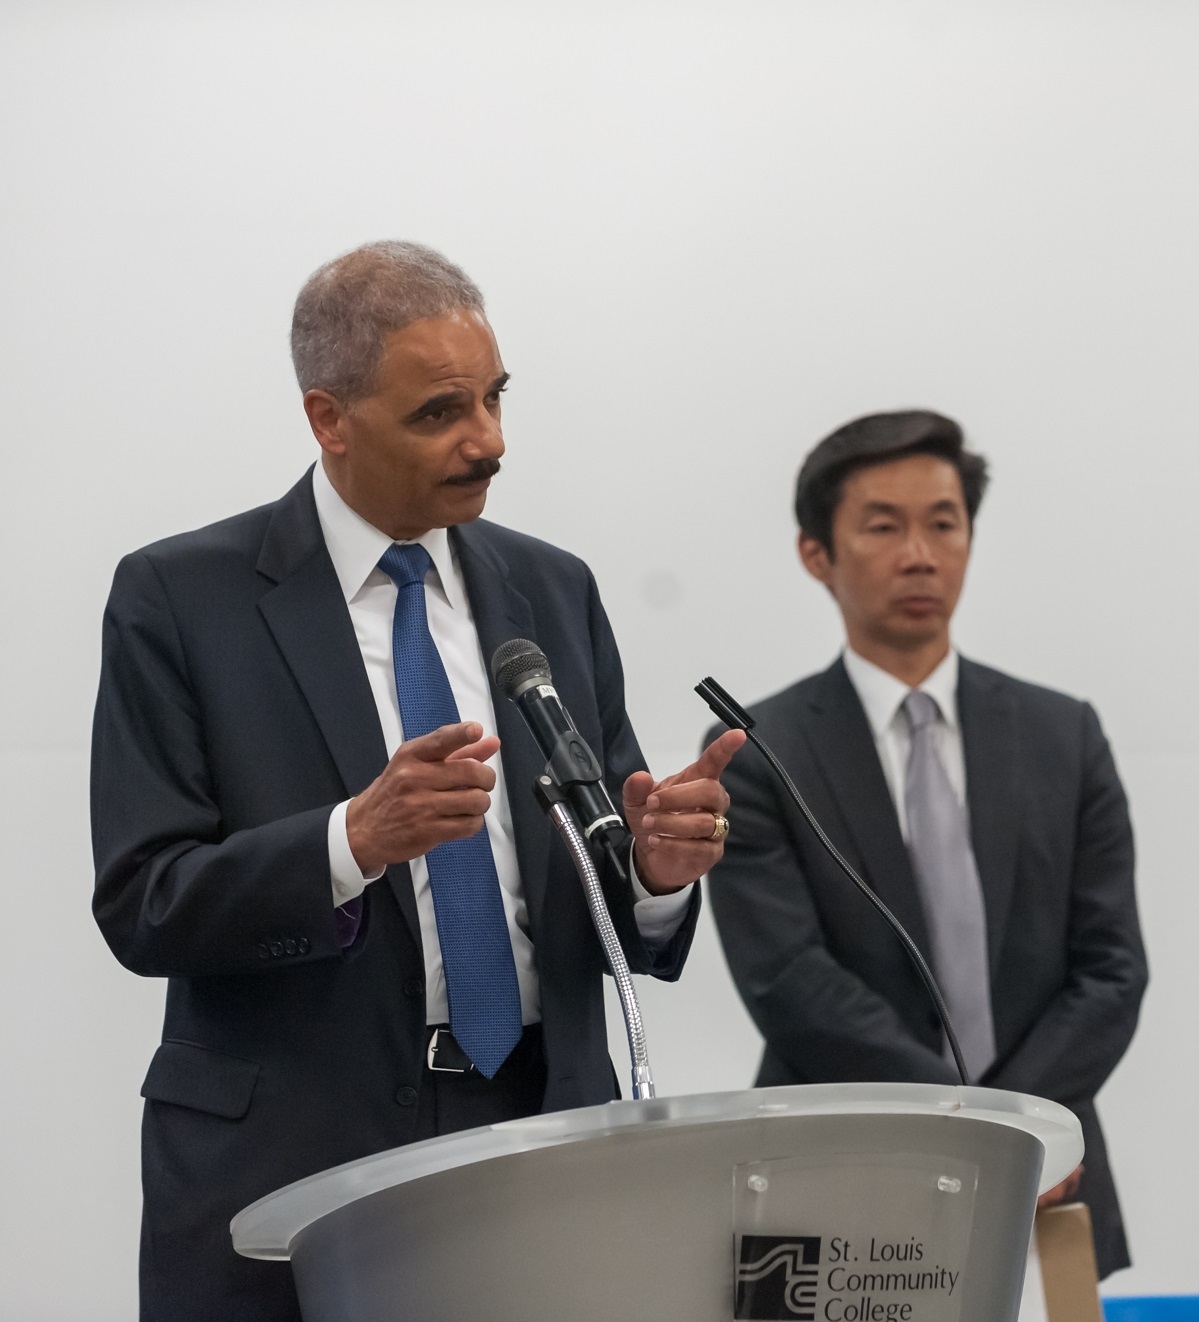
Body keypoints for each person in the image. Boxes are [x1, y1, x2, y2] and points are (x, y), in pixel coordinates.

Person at [91, 240, 744, 1321]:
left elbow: (607, 886)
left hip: (540, 1134)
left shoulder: (551, 588)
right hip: (292, 1162)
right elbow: (144, 900)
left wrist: (653, 871)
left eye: (494, 398)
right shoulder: (179, 598)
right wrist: (351, 840)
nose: (488, 440)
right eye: (441, 411)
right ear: (327, 418)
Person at [706, 409, 1147, 1279]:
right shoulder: (760, 755)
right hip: (834, 1172)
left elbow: (1111, 969)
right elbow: (788, 983)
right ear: (815, 554)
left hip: (1049, 1175)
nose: (920, 553)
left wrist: (1021, 1136)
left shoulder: (1065, 735)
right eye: (882, 525)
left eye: (943, 523)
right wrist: (970, 1129)